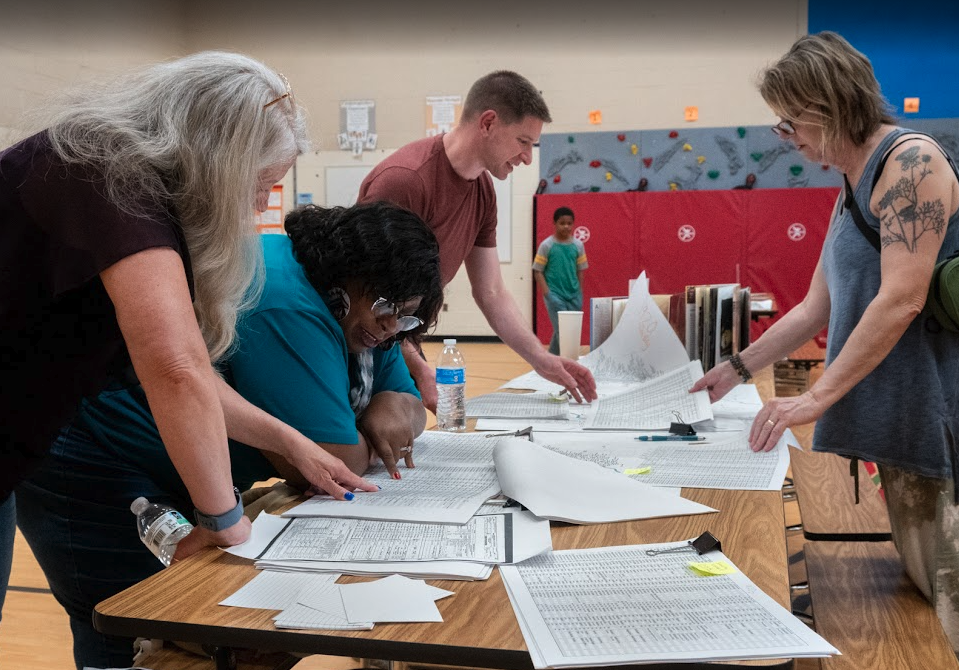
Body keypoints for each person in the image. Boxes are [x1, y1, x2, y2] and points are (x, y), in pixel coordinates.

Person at [0, 52, 376, 624]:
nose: (259, 206)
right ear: (219, 162)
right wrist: (223, 521)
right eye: (259, 185)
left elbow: (187, 369)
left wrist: (292, 443)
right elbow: (175, 371)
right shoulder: (108, 178)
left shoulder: (125, 182)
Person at [16, 201, 444, 668]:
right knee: (128, 620)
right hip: (99, 457)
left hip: (186, 466)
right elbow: (328, 463)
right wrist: (374, 419)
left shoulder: (366, 313)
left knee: (191, 618)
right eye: (386, 308)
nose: (390, 326)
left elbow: (409, 408)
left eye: (405, 317)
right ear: (349, 275)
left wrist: (390, 406)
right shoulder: (284, 300)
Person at [691, 31, 959, 649]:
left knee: (947, 604)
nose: (789, 138)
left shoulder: (911, 164)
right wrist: (736, 367)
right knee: (928, 586)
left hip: (936, 415)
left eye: (790, 123)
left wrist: (816, 397)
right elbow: (817, 307)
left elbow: (903, 298)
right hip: (902, 419)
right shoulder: (853, 180)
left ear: (827, 107)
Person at [358, 70, 597, 411]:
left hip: (400, 337)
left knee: (407, 426)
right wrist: (418, 367)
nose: (528, 157)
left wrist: (541, 359)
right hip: (364, 337)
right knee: (386, 429)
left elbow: (492, 292)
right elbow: (367, 294)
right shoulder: (405, 181)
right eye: (523, 142)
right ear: (488, 123)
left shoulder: (483, 191)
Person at [532, 206, 588, 355]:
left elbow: (580, 270)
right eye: (562, 223)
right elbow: (538, 271)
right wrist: (548, 294)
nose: (566, 227)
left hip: (574, 295)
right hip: (555, 295)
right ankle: (566, 361)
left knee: (568, 331)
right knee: (563, 331)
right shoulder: (547, 245)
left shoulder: (578, 245)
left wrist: (579, 293)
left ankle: (550, 358)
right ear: (555, 224)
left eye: (569, 223)